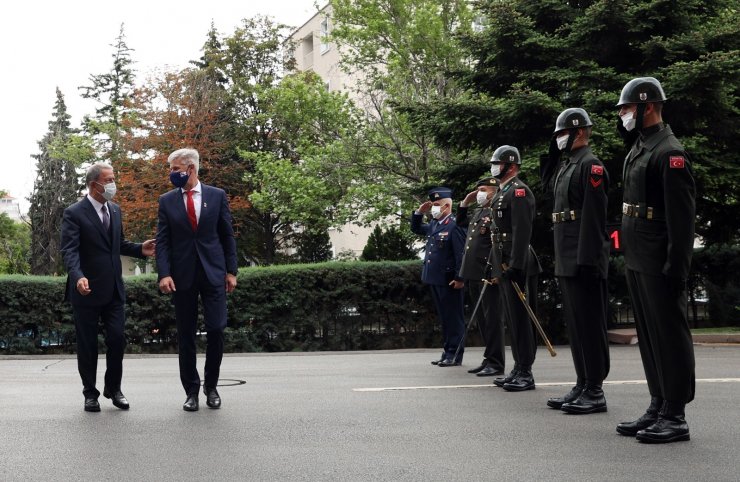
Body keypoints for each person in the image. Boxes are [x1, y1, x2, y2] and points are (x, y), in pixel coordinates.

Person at [614, 77, 696, 443]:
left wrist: (676, 268)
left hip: (659, 258)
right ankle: (658, 403)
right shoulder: (641, 146)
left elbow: (682, 220)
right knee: (649, 335)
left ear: (648, 107)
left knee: (669, 335)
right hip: (638, 254)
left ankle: (676, 415)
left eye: (628, 108)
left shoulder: (669, 152)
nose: (623, 114)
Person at [60, 162, 155, 412]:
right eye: (109, 180)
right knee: (88, 344)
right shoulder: (74, 213)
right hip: (86, 290)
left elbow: (118, 243)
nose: (113, 184)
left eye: (114, 178)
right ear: (94, 185)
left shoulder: (115, 209)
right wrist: (78, 276)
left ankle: (114, 389)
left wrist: (139, 249)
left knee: (116, 338)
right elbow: (69, 250)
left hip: (113, 289)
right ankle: (90, 393)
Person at [156, 148, 238, 412]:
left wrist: (231, 271)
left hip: (213, 273)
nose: (171, 174)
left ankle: (211, 386)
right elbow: (163, 242)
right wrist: (164, 273)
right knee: (186, 335)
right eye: (171, 169)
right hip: (181, 276)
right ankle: (191, 391)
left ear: (191, 168)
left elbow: (227, 236)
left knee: (216, 329)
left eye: (175, 169)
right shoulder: (166, 201)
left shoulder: (216, 196)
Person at [540, 108, 611, 413]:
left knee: (590, 325)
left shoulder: (590, 166)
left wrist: (588, 260)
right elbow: (547, 190)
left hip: (583, 257)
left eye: (562, 134)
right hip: (566, 254)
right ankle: (582, 383)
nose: (558, 140)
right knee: (576, 325)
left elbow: (594, 219)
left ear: (579, 132)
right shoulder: (567, 165)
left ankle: (595, 390)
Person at [487, 145, 541, 392]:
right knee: (512, 317)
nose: (494, 166)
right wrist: (494, 264)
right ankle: (518, 367)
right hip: (504, 261)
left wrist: (517, 265)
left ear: (512, 166)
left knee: (521, 318)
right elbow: (496, 234)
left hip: (517, 262)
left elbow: (521, 233)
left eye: (498, 163)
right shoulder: (502, 193)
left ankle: (526, 371)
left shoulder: (519, 192)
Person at [410, 187, 467, 367]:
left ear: (447, 206)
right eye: (433, 204)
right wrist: (419, 212)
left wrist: (459, 277)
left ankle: (454, 354)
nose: (434, 208)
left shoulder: (455, 224)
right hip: (435, 278)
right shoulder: (435, 224)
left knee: (454, 318)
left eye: (436, 205)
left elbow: (461, 254)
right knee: (444, 318)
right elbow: (417, 228)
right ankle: (446, 351)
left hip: (449, 279)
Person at [457, 177, 505, 377]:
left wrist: (496, 271)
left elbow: (498, 244)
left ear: (494, 192)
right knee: (483, 320)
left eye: (483, 190)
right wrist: (464, 203)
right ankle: (489, 358)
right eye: (478, 191)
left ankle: (496, 362)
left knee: (492, 319)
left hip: (487, 275)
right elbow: (460, 223)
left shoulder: (496, 212)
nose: (479, 194)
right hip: (474, 273)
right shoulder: (479, 211)